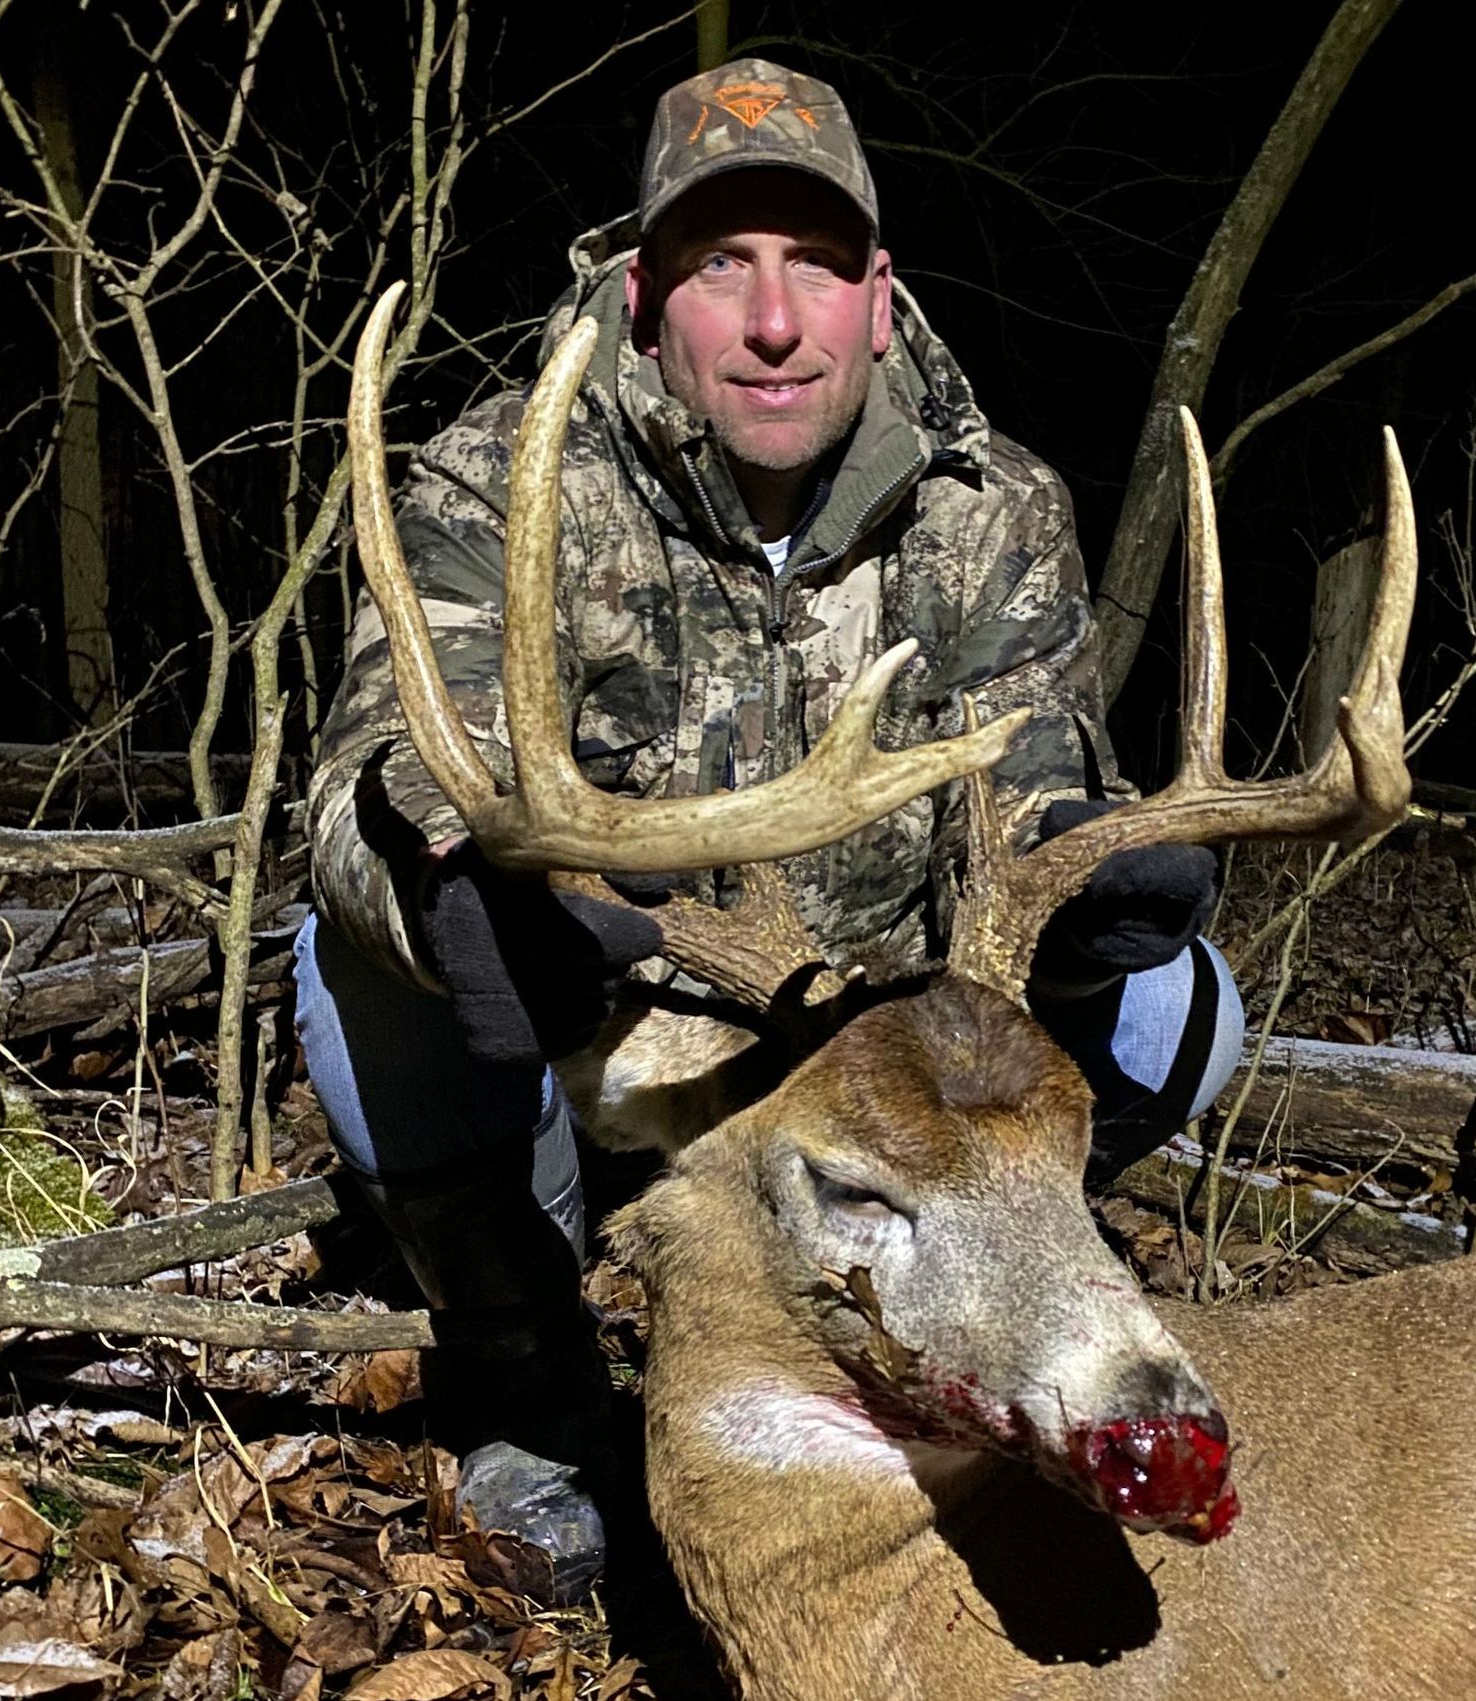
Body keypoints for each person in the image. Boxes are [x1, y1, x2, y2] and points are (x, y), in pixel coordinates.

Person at [295, 58, 1246, 1602]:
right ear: (643, 291)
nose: (774, 319)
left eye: (815, 263)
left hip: (873, 1076)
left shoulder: (989, 504)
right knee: (357, 991)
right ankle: (534, 1380)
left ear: (882, 293)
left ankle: (937, 1293)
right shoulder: (503, 479)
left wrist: (1085, 862)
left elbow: (1033, 769)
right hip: (612, 1036)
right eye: (720, 264)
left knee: (1181, 1007)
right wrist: (456, 888)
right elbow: (374, 774)